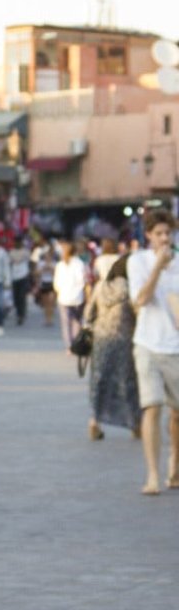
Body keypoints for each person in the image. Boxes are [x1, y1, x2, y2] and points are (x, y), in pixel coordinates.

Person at [127, 212, 179, 494]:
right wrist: (158, 267)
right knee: (152, 406)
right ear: (148, 235)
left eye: (168, 233)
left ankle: (175, 465)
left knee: (177, 413)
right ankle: (152, 475)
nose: (165, 238)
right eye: (159, 233)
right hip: (147, 343)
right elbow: (141, 300)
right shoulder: (138, 262)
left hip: (175, 347)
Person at [83, 255, 141, 442]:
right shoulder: (133, 289)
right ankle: (135, 425)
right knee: (128, 384)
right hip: (125, 341)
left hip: (101, 341)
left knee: (99, 382)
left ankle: (94, 422)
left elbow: (89, 314)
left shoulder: (100, 287)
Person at [53, 240, 89, 351]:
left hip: (63, 297)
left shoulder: (60, 265)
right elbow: (82, 281)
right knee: (76, 321)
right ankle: (75, 343)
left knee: (65, 322)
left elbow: (56, 283)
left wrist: (59, 291)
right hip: (77, 297)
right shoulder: (79, 264)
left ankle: (69, 345)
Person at [8, 234, 32, 325]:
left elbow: (29, 263)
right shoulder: (11, 252)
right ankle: (18, 312)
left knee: (22, 296)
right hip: (14, 276)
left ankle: (21, 314)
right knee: (16, 297)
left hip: (23, 276)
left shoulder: (26, 252)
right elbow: (9, 263)